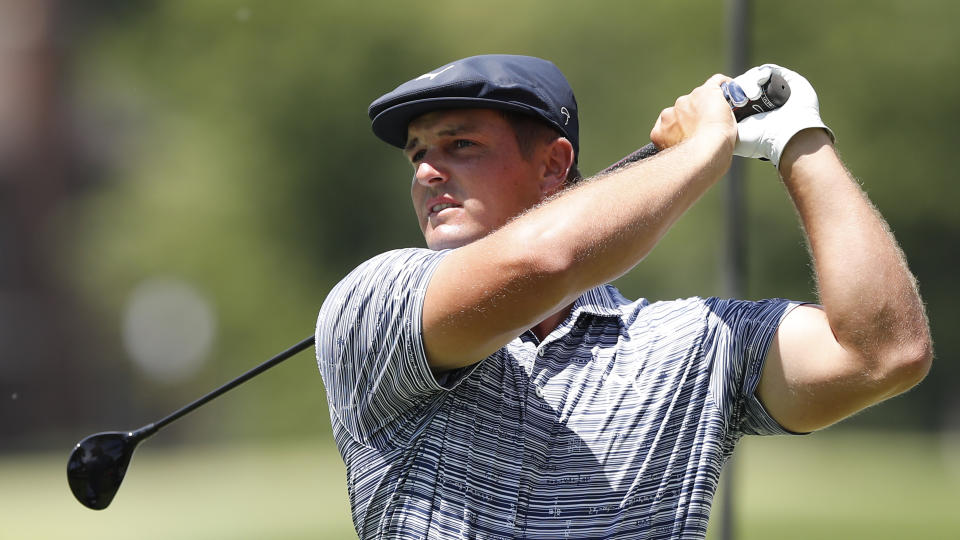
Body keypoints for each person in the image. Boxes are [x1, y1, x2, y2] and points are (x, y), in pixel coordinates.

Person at [315, 54, 932, 539]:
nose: (426, 171)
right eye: (417, 153)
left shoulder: (690, 343)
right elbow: (545, 262)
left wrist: (801, 140)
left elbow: (883, 354)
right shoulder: (372, 302)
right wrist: (702, 149)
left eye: (461, 145)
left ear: (555, 167)